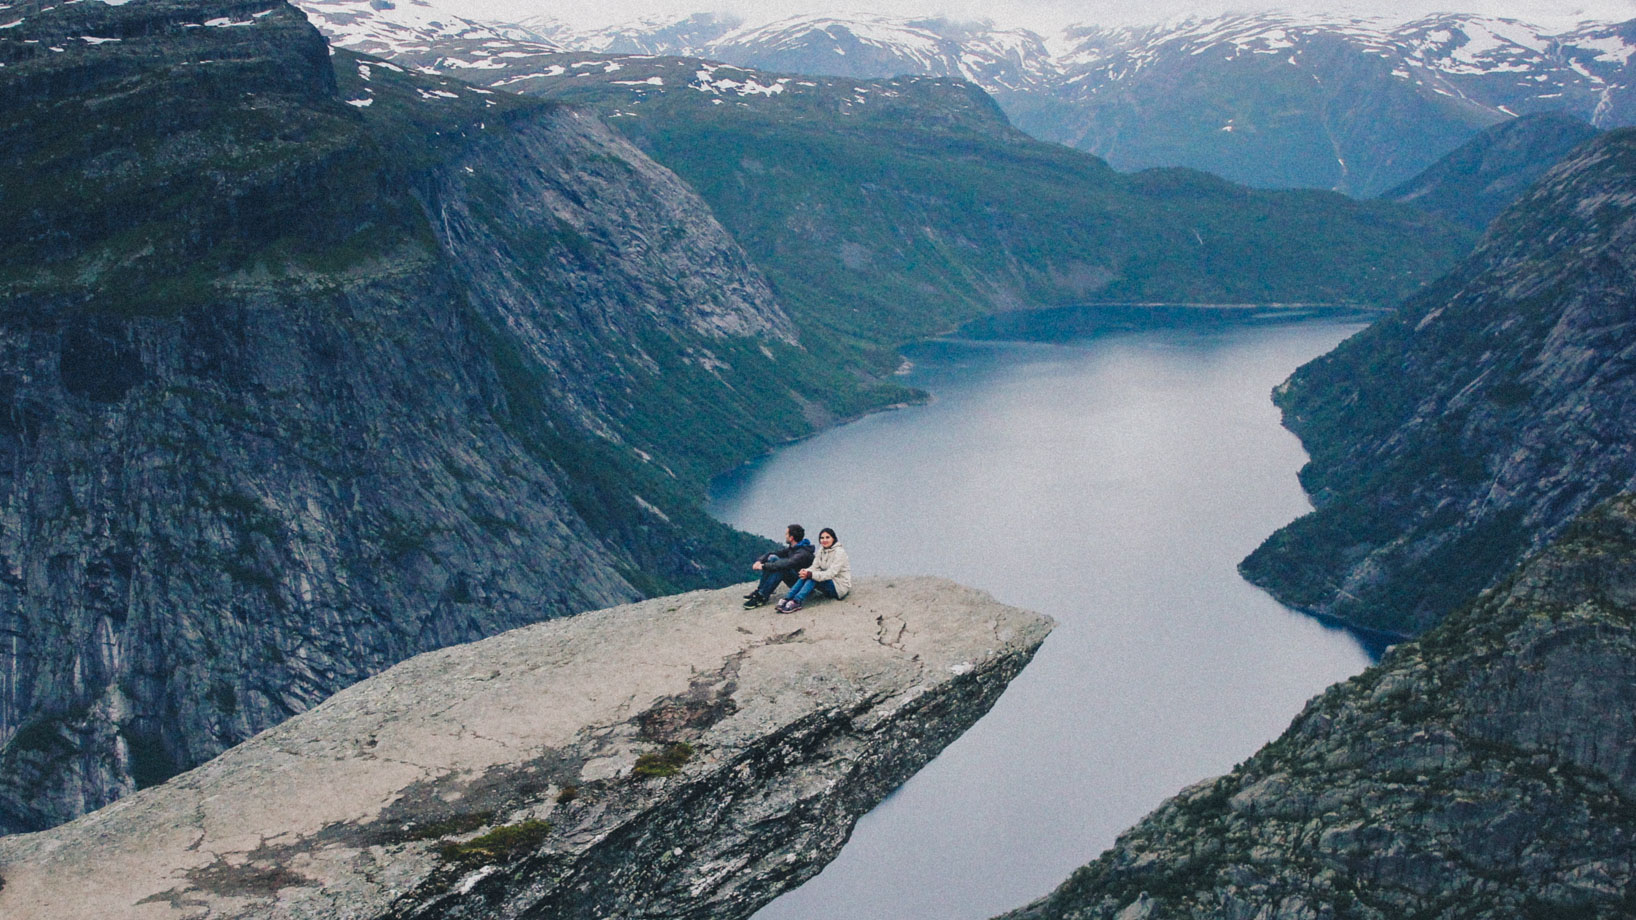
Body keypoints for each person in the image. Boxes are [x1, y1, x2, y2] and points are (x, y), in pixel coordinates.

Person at [775, 527, 850, 613]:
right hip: (828, 580)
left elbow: (831, 573)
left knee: (812, 577)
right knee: (806, 575)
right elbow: (815, 566)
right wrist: (806, 571)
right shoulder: (821, 550)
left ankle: (797, 601)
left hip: (839, 586)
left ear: (833, 538)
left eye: (827, 537)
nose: (824, 540)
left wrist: (811, 574)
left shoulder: (839, 552)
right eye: (822, 538)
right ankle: (787, 598)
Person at [743, 524, 814, 609]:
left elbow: (788, 563)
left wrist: (764, 566)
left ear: (791, 538)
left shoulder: (802, 552)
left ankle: (762, 596)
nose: (785, 536)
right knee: (772, 558)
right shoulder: (794, 548)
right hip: (796, 578)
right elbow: (774, 553)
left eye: (786, 534)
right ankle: (760, 590)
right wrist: (760, 561)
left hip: (802, 584)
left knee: (781, 569)